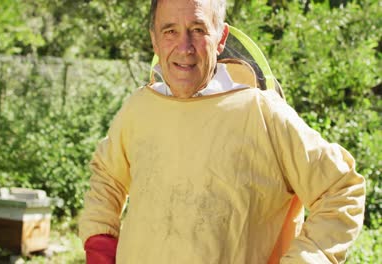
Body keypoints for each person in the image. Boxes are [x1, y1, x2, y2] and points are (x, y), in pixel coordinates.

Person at [78, 0, 366, 263]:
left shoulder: (261, 112)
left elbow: (341, 190)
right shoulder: (139, 108)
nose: (184, 47)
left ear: (221, 38)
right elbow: (108, 177)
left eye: (198, 29)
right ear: (154, 39)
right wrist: (100, 245)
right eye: (170, 31)